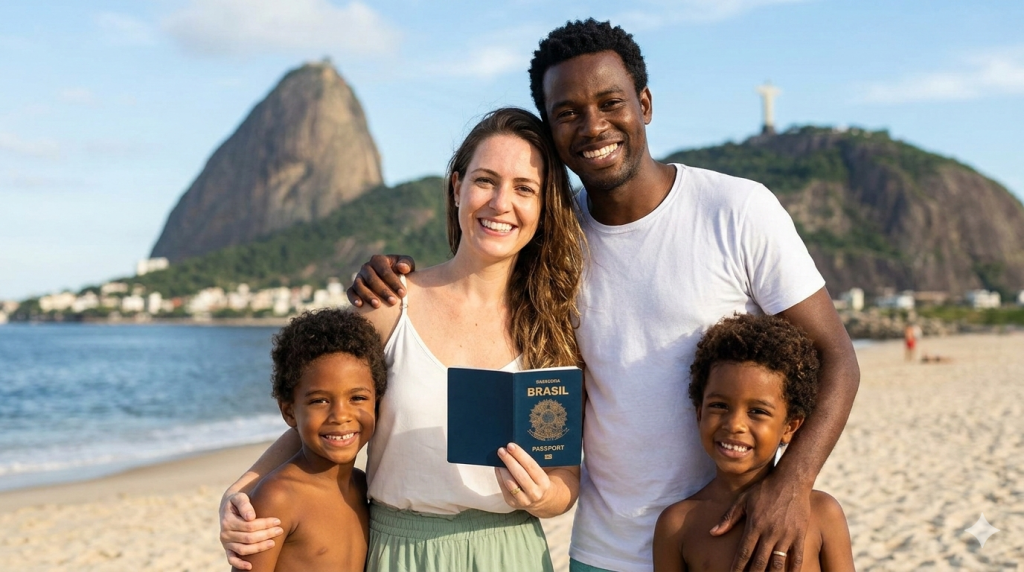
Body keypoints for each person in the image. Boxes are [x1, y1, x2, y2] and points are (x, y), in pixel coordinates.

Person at [220, 107, 586, 571]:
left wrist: (544, 494)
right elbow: (325, 417)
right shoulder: (390, 304)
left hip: (512, 552)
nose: (500, 203)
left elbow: (565, 479)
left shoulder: (552, 329)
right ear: (457, 188)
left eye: (524, 188)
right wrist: (238, 494)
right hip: (399, 549)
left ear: (542, 206)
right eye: (485, 181)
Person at [653, 314, 854, 571]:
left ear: (790, 427)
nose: (734, 424)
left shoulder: (823, 514)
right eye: (719, 406)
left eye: (757, 411)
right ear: (699, 413)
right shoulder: (678, 525)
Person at [232, 309, 388, 572]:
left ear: (378, 403)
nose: (341, 415)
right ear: (289, 412)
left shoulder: (364, 486)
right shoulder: (278, 496)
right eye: (319, 401)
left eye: (358, 398)